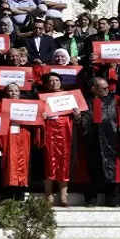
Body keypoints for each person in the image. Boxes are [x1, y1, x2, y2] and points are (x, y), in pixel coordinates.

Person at [77, 77, 120, 207]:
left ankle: (112, 198)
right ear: (94, 89)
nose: (107, 90)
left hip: (112, 139)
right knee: (91, 169)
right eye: (104, 88)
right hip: (91, 139)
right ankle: (91, 198)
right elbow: (81, 122)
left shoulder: (115, 100)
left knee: (114, 169)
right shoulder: (84, 102)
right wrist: (77, 118)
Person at [40, 73, 78, 206]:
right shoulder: (41, 98)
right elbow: (35, 117)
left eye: (56, 80)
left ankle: (63, 195)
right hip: (49, 132)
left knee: (64, 162)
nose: (54, 83)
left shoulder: (69, 97)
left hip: (65, 132)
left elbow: (78, 118)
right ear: (46, 84)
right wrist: (41, 116)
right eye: (51, 81)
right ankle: (48, 194)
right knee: (49, 161)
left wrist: (77, 115)